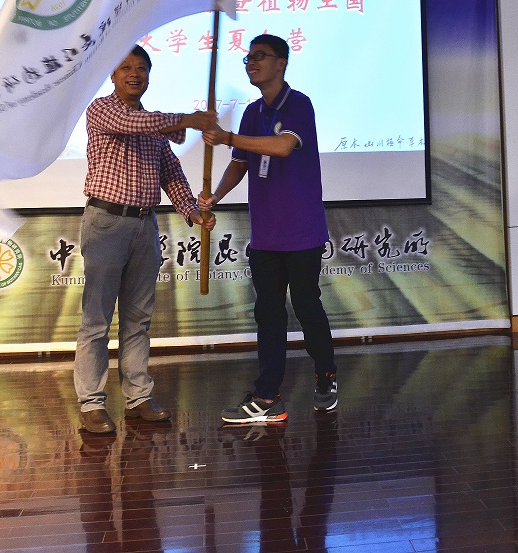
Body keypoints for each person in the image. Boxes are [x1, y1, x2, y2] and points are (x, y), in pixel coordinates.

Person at [75, 44, 215, 435]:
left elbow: (171, 173)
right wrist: (189, 119)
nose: (134, 74)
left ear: (149, 76)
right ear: (113, 75)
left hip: (144, 226)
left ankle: (137, 397)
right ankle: (91, 403)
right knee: (97, 320)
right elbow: (133, 123)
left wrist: (193, 211)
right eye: (125, 67)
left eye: (141, 68)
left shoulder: (155, 128)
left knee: (138, 319)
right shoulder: (102, 110)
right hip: (106, 222)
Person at [201, 34, 337, 424]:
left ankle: (326, 376)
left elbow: (282, 146)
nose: (251, 63)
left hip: (301, 231)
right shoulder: (251, 112)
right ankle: (267, 397)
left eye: (260, 56)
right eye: (247, 58)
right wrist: (215, 196)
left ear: (282, 63)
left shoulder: (299, 104)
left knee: (307, 307)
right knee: (268, 314)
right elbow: (240, 163)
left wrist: (228, 137)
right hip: (266, 235)